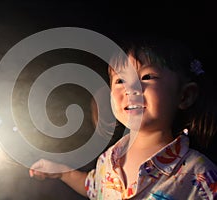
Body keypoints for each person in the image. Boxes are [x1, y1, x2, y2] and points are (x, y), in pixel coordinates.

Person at [29, 35, 217, 199]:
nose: (131, 89)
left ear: (185, 95)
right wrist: (63, 173)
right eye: (120, 80)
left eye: (147, 77)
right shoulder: (108, 160)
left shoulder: (199, 173)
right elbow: (93, 187)